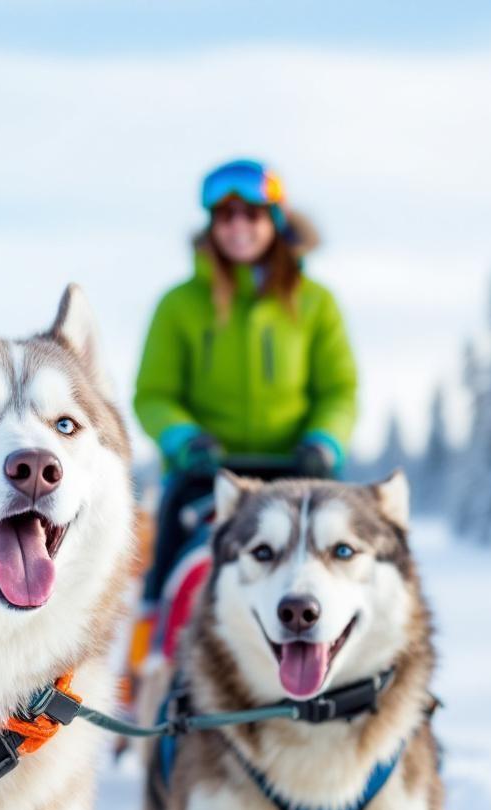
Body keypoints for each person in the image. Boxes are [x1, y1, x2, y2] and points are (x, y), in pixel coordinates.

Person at [134, 159, 358, 602]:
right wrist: (184, 440)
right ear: (212, 225)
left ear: (274, 220)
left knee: (348, 573)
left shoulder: (316, 304)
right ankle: (153, 635)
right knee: (166, 578)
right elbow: (154, 395)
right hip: (205, 476)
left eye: (251, 215)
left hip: (300, 472)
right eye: (225, 216)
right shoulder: (178, 305)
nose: (238, 226)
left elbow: (340, 391)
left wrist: (324, 442)